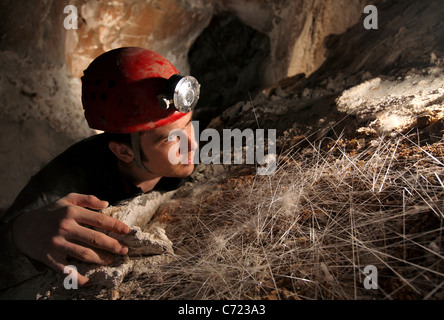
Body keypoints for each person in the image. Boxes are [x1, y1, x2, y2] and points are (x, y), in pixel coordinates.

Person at [0, 47, 200, 290]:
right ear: (123, 152)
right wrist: (22, 235)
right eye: (169, 139)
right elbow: (14, 238)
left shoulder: (182, 152)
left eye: (188, 125)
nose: (192, 144)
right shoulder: (62, 187)